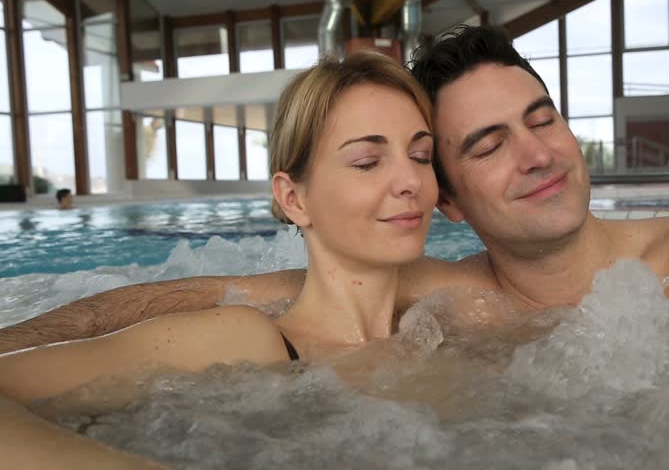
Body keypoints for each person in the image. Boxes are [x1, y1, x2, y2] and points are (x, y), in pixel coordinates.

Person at [0, 25, 669, 355]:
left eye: (542, 119)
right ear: (449, 201)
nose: (538, 154)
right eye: (489, 144)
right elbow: (204, 293)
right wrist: (21, 340)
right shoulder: (449, 298)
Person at [0, 51, 437, 463]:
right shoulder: (246, 340)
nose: (411, 180)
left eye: (421, 156)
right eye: (366, 161)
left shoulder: (443, 327)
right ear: (293, 198)